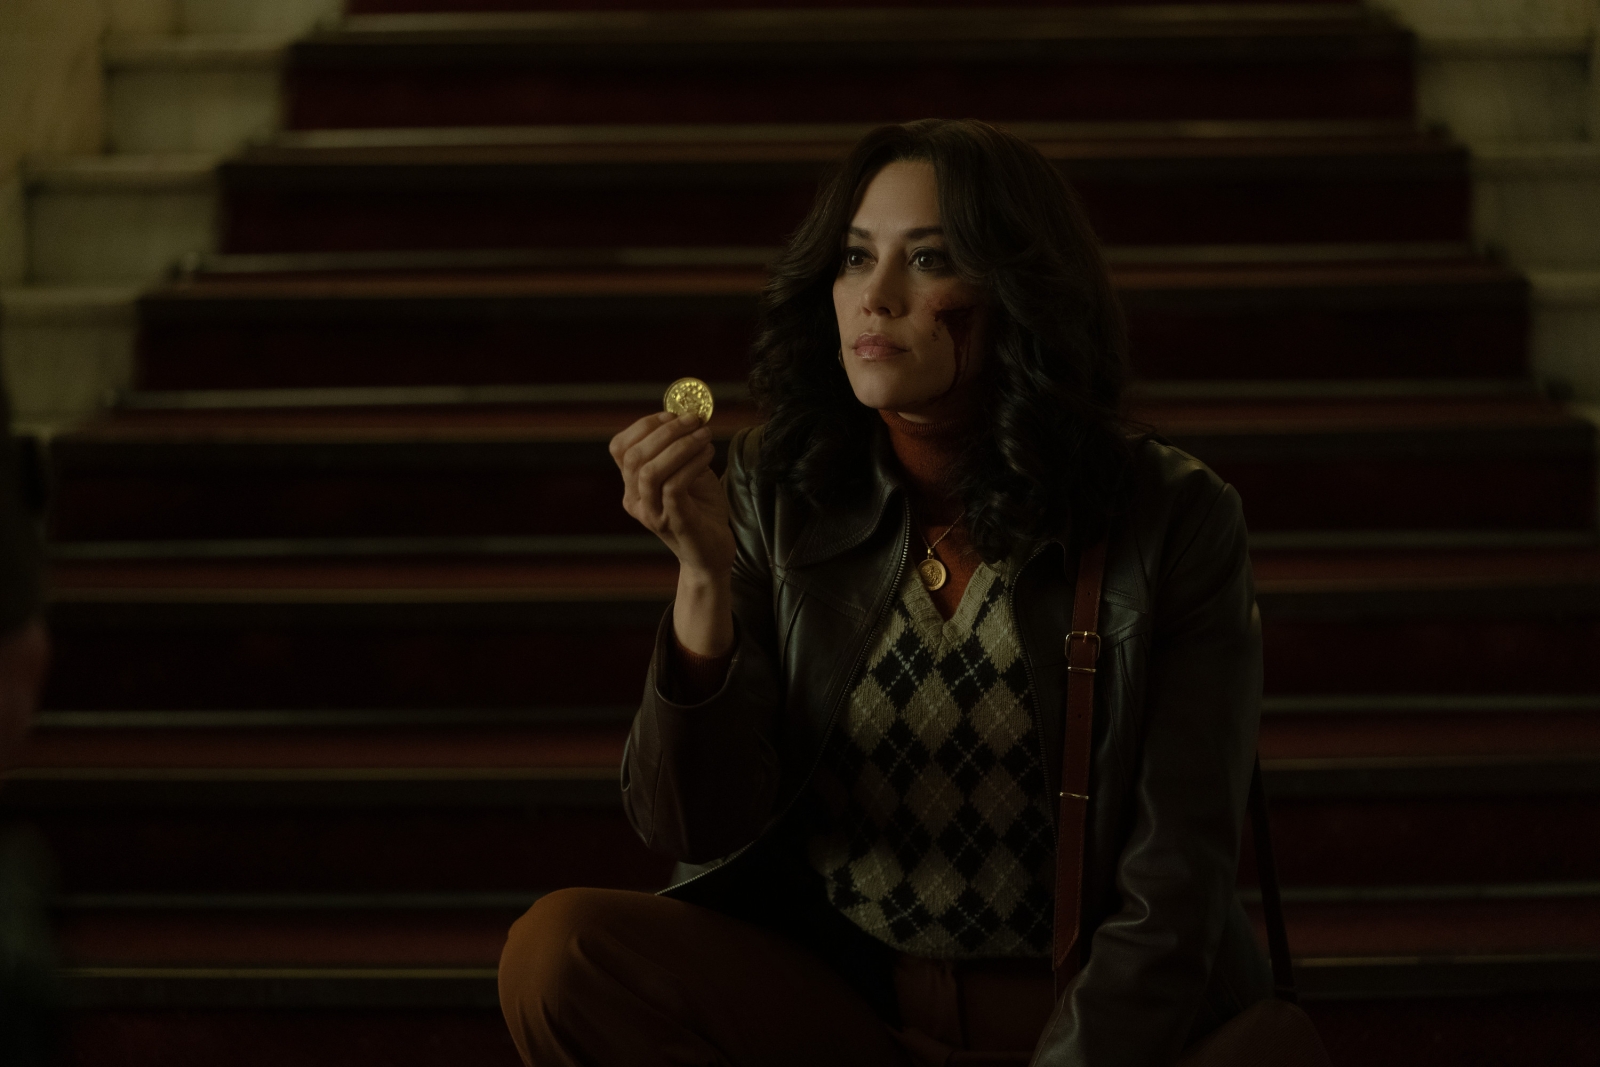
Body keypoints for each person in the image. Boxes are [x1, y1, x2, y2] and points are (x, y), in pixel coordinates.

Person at [498, 119, 1271, 1066]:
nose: (877, 294)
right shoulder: (781, 487)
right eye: (857, 257)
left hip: (1073, 1012)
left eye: (929, 258)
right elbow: (692, 823)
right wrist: (702, 579)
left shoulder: (1173, 514)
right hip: (851, 1004)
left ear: (1018, 288)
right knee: (560, 953)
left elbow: (1174, 888)